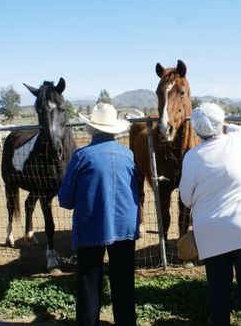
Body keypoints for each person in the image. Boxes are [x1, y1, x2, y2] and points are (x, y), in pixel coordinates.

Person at [179, 102, 241, 326]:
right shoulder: (238, 141)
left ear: (197, 129)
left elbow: (186, 198)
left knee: (219, 296)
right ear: (221, 123)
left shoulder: (192, 157)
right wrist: (222, 124)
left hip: (212, 236)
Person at [58, 103, 139, 326]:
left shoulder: (81, 156)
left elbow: (65, 200)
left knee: (89, 283)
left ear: (91, 128)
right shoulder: (128, 155)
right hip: (125, 227)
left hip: (91, 227)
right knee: (123, 283)